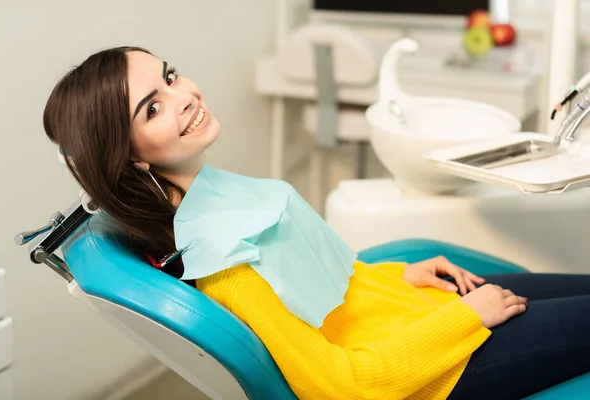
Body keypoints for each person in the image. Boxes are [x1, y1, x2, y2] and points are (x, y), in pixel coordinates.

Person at [42, 46, 590, 400]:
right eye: (153, 108)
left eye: (171, 76)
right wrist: (466, 318)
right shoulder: (222, 262)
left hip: (414, 314)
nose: (185, 96)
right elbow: (343, 386)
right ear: (132, 156)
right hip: (437, 370)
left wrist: (400, 277)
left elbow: (315, 285)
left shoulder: (214, 195)